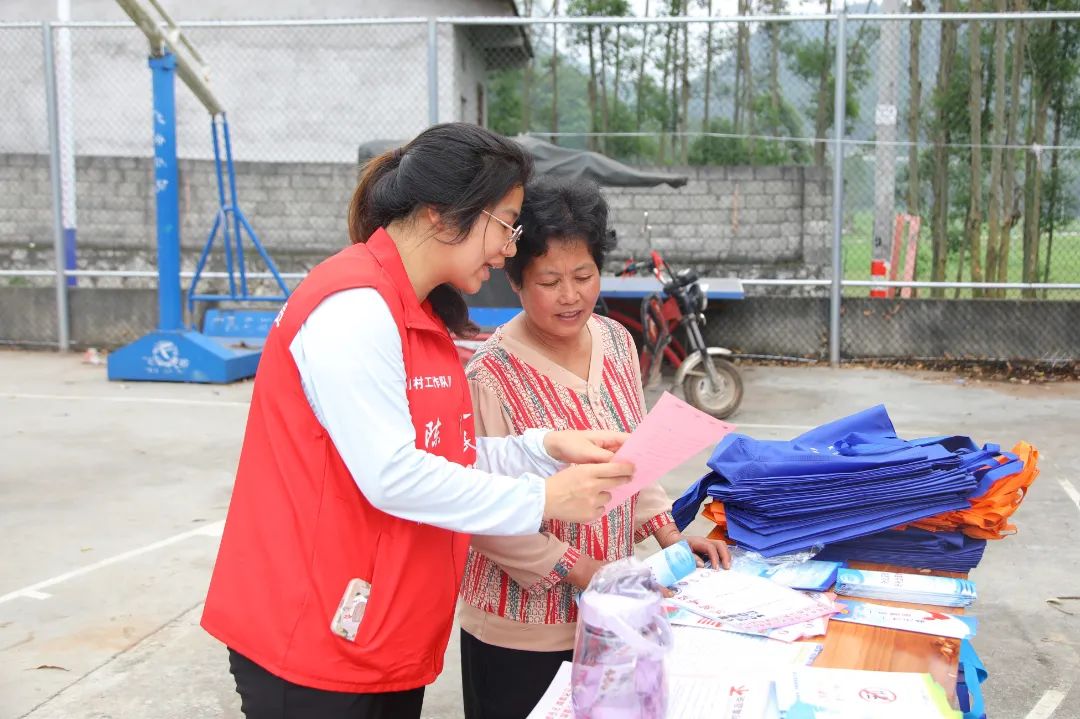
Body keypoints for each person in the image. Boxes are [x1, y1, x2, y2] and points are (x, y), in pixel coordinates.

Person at [200, 124, 636, 719]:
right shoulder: (354, 308)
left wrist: (542, 447)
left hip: (378, 635)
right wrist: (544, 497)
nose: (510, 247)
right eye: (506, 224)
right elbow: (394, 475)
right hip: (316, 641)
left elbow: (445, 454)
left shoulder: (419, 316)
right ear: (442, 216)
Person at [458, 176, 732, 719]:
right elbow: (478, 509)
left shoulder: (615, 341)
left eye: (584, 275)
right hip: (521, 635)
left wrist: (671, 539)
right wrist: (583, 570)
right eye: (550, 280)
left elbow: (634, 457)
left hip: (613, 616)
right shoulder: (488, 375)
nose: (571, 295)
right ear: (514, 278)